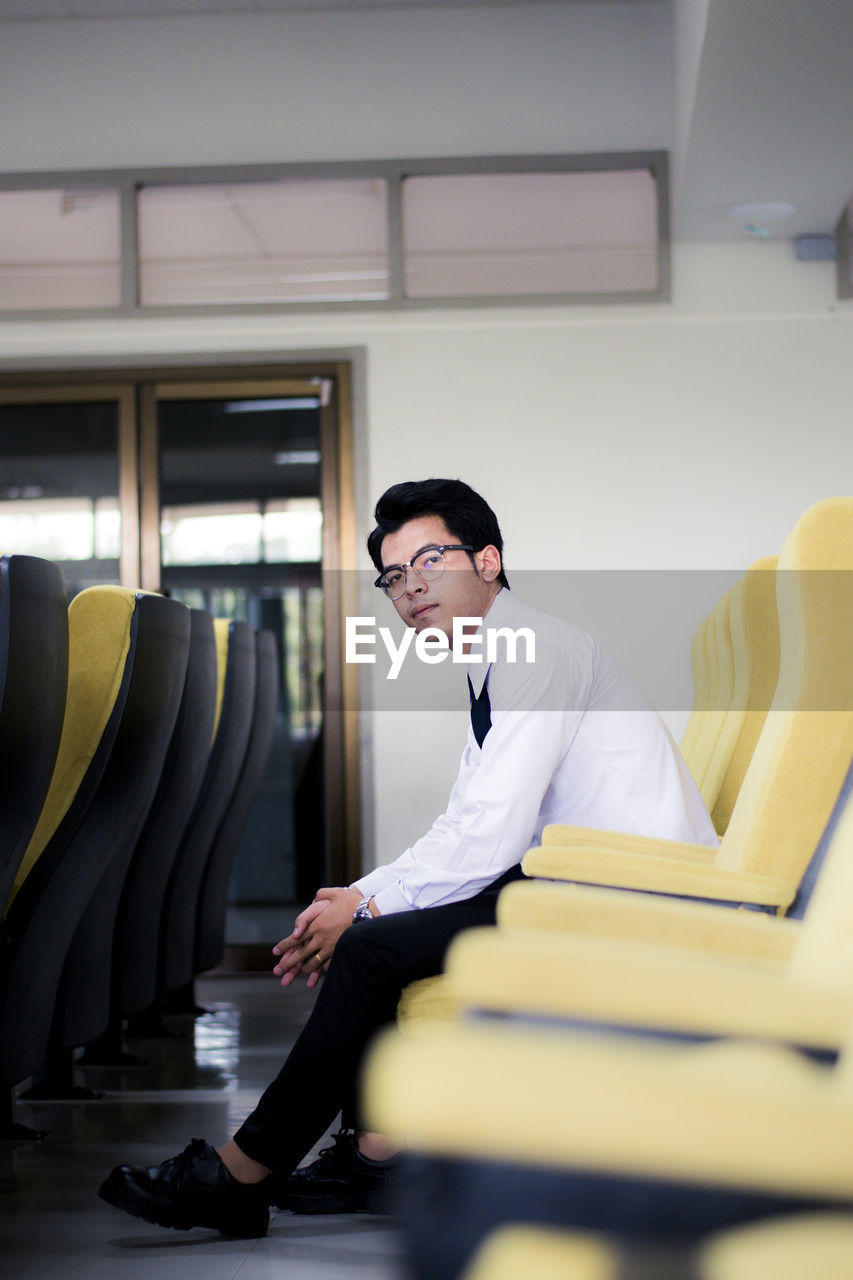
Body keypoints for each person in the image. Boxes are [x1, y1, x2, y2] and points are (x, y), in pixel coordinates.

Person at [99, 477, 717, 1238]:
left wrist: (368, 907)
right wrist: (356, 892)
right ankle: (376, 1154)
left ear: (487, 560)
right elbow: (468, 822)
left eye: (429, 560)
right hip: (575, 881)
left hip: (625, 895)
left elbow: (488, 834)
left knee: (371, 947)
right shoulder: (497, 658)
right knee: (373, 936)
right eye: (394, 576)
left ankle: (245, 1171)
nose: (410, 587)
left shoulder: (538, 654)